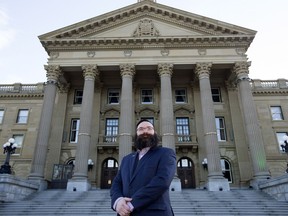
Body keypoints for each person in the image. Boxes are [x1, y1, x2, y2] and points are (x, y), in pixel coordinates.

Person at [110, 119, 176, 216]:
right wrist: (118, 201)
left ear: (154, 133)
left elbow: (162, 182)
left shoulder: (166, 153)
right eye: (141, 129)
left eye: (149, 128)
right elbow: (117, 183)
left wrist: (130, 205)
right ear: (136, 134)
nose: (145, 131)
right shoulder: (126, 159)